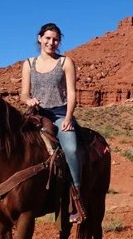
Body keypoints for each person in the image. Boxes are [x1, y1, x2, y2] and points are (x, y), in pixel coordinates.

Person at [20, 23, 85, 223]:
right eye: (47, 38)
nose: (51, 42)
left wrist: (67, 118)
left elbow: (72, 92)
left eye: (55, 39)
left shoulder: (65, 62)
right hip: (36, 114)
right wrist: (28, 100)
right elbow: (23, 93)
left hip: (59, 114)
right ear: (39, 38)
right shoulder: (29, 64)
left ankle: (76, 197)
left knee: (72, 149)